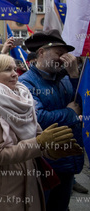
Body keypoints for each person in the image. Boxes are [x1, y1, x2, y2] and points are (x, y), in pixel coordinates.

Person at [0, 54, 83, 211]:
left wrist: (52, 149)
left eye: (14, 68)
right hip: (1, 183)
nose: (14, 73)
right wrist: (40, 143)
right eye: (7, 69)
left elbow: (37, 136)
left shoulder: (23, 96)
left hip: (30, 177)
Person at [19, 29, 85, 211]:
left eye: (65, 54)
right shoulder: (26, 82)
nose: (64, 59)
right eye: (59, 53)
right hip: (45, 162)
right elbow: (38, 118)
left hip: (68, 160)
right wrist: (69, 114)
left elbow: (81, 108)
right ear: (42, 53)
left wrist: (74, 77)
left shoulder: (64, 79)